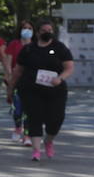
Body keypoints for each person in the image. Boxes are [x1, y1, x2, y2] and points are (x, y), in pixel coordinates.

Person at [10, 18, 75, 162]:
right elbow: (18, 71)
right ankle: (36, 151)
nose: (47, 33)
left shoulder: (60, 48)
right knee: (34, 118)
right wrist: (11, 88)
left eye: (50, 31)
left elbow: (69, 67)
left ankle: (48, 140)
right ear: (38, 33)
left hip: (55, 90)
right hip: (31, 90)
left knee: (56, 119)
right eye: (44, 31)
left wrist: (60, 78)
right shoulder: (28, 49)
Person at [4, 21, 34, 144]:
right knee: (17, 108)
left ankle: (27, 135)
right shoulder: (14, 44)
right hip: (16, 81)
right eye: (24, 28)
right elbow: (8, 61)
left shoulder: (35, 45)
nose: (27, 30)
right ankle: (17, 128)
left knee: (29, 109)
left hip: (31, 82)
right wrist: (9, 76)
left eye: (29, 28)